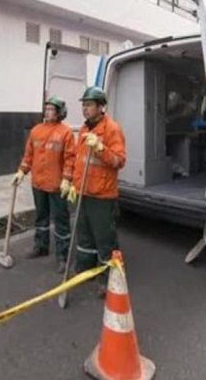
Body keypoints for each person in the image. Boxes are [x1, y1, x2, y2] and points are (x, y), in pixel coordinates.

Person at [67, 86, 126, 297]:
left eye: (89, 105)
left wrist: (101, 149)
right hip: (84, 192)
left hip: (102, 195)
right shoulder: (83, 130)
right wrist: (73, 184)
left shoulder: (112, 129)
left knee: (104, 238)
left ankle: (107, 276)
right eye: (83, 105)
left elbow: (119, 160)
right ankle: (85, 268)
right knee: (84, 235)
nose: (85, 109)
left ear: (101, 107)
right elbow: (79, 161)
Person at [13, 96, 76, 273]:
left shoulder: (66, 133)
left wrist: (67, 179)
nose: (48, 112)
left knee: (61, 220)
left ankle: (63, 256)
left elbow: (71, 159)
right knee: (41, 217)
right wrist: (21, 171)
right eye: (46, 108)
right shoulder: (36, 130)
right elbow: (28, 155)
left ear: (60, 112)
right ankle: (41, 246)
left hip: (57, 186)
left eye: (52, 109)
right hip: (39, 183)